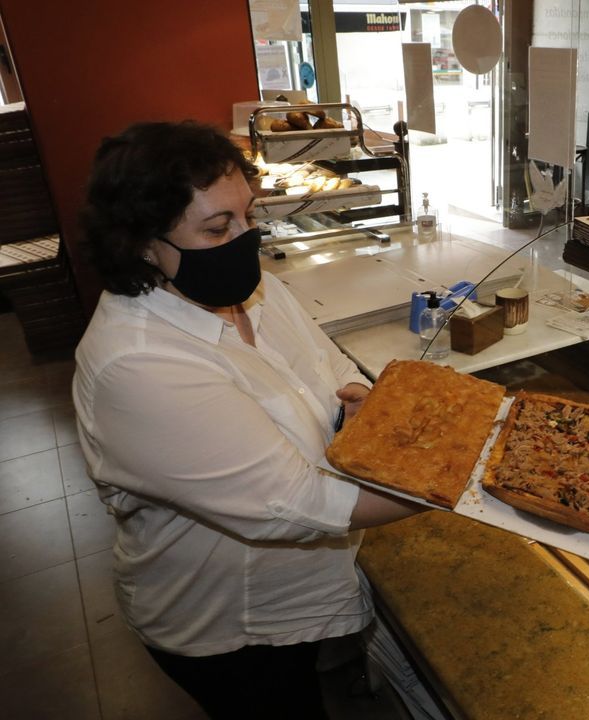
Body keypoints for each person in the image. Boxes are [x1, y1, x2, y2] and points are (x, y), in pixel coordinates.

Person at [73, 121, 424, 718]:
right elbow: (299, 503)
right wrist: (466, 484)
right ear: (141, 244)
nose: (246, 238)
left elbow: (332, 363)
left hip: (296, 589)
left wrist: (360, 401)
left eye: (248, 215)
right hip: (227, 620)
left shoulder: (253, 291)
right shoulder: (137, 364)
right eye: (217, 227)